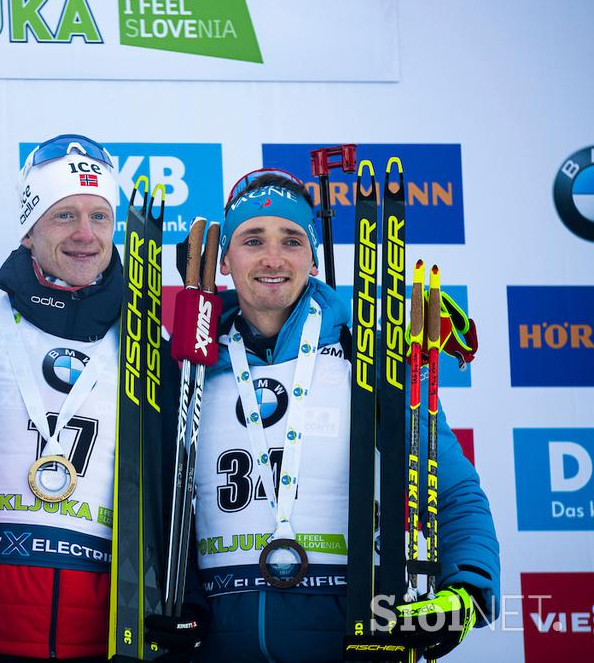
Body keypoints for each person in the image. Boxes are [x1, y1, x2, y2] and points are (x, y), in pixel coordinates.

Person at [190, 170, 501, 662]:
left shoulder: (369, 356)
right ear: (226, 258)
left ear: (312, 257)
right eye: (253, 240)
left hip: (353, 637)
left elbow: (452, 489)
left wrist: (466, 591)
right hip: (220, 644)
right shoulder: (190, 367)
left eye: (291, 240)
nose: (273, 259)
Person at [0, 134, 202, 662]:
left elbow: (176, 489)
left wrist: (187, 600)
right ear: (29, 229)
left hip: (103, 641)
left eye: (100, 216)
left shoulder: (145, 347)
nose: (86, 235)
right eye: (64, 215)